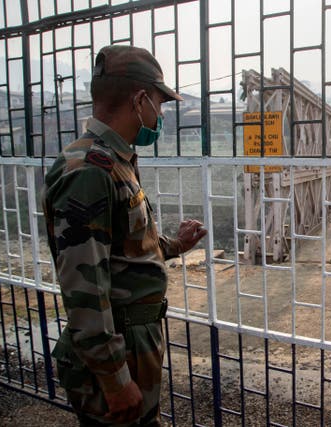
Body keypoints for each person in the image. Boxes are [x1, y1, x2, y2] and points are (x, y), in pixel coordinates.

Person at [41, 44, 207, 426]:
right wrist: (115, 380)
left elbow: (123, 249)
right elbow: (85, 288)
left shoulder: (115, 161)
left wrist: (177, 244)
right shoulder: (89, 171)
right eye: (159, 103)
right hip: (118, 346)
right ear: (139, 100)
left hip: (132, 341)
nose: (160, 114)